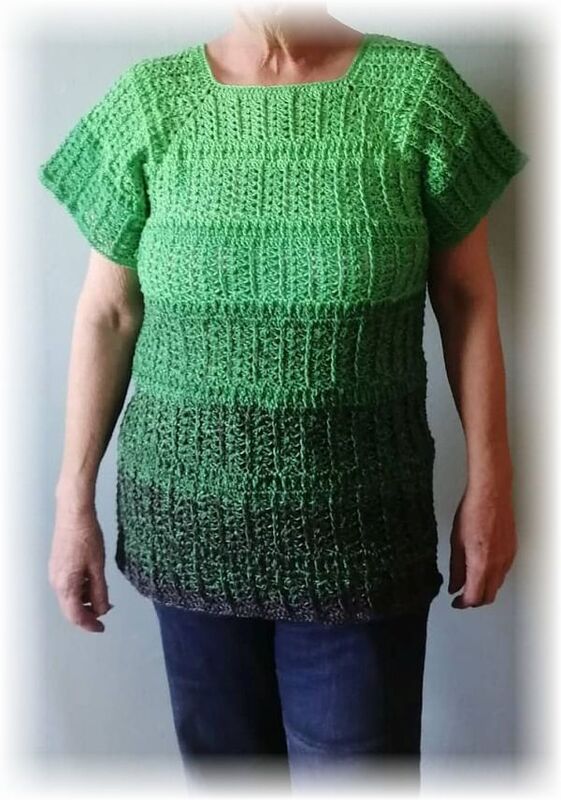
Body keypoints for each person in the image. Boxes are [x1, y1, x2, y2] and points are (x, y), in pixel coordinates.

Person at [38, 0, 528, 793]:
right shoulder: (150, 104)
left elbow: (466, 299)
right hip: (188, 529)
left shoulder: (416, 95)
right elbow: (109, 314)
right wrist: (72, 506)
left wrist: (492, 480)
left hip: (359, 536)